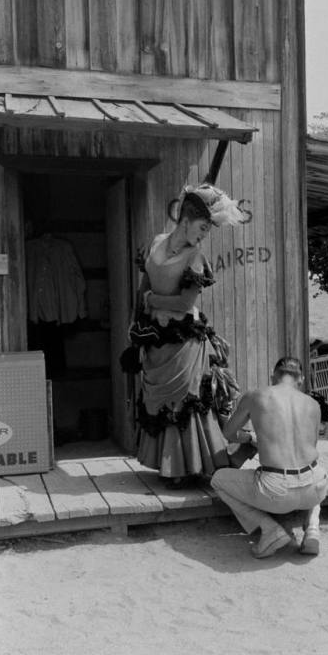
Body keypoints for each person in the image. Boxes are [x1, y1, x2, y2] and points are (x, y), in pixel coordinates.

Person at [129, 183, 243, 488]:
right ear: (185, 220)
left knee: (184, 401)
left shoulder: (195, 257)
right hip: (155, 337)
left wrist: (151, 301)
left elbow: (184, 302)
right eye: (202, 227)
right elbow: (143, 287)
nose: (204, 234)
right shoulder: (155, 243)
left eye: (207, 230)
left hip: (185, 342)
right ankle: (169, 467)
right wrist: (136, 330)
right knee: (160, 401)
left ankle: (191, 466)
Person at [211, 357, 328, 558]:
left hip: (276, 491)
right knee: (317, 469)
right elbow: (311, 446)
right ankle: (312, 531)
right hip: (313, 489)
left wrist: (250, 438)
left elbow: (229, 433)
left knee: (218, 480)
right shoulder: (313, 405)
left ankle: (270, 529)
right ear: (300, 379)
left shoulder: (256, 396)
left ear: (273, 376)